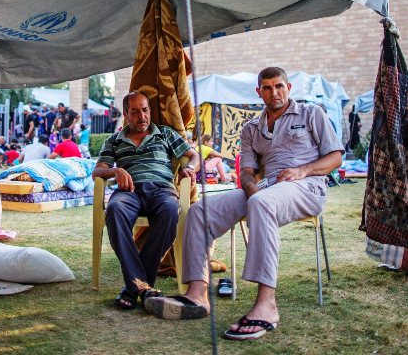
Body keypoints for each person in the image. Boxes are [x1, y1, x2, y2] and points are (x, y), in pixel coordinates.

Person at [145, 67, 343, 341]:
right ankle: (197, 294)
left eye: (279, 86)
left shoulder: (312, 114)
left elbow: (335, 158)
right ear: (258, 92)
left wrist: (303, 170)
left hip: (306, 186)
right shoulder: (251, 128)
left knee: (262, 203)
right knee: (201, 209)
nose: (274, 92)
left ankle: (266, 305)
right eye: (267, 88)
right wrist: (250, 189)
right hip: (266, 188)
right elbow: (247, 172)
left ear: (289, 87)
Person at [93, 91, 199, 311]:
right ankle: (143, 286)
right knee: (115, 210)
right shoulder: (114, 140)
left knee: (171, 211)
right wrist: (116, 170)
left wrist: (189, 168)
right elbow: (97, 172)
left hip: (162, 190)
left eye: (145, 110)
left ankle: (133, 288)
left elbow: (194, 156)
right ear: (125, 114)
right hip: (128, 191)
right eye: (135, 112)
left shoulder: (165, 134)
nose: (141, 116)